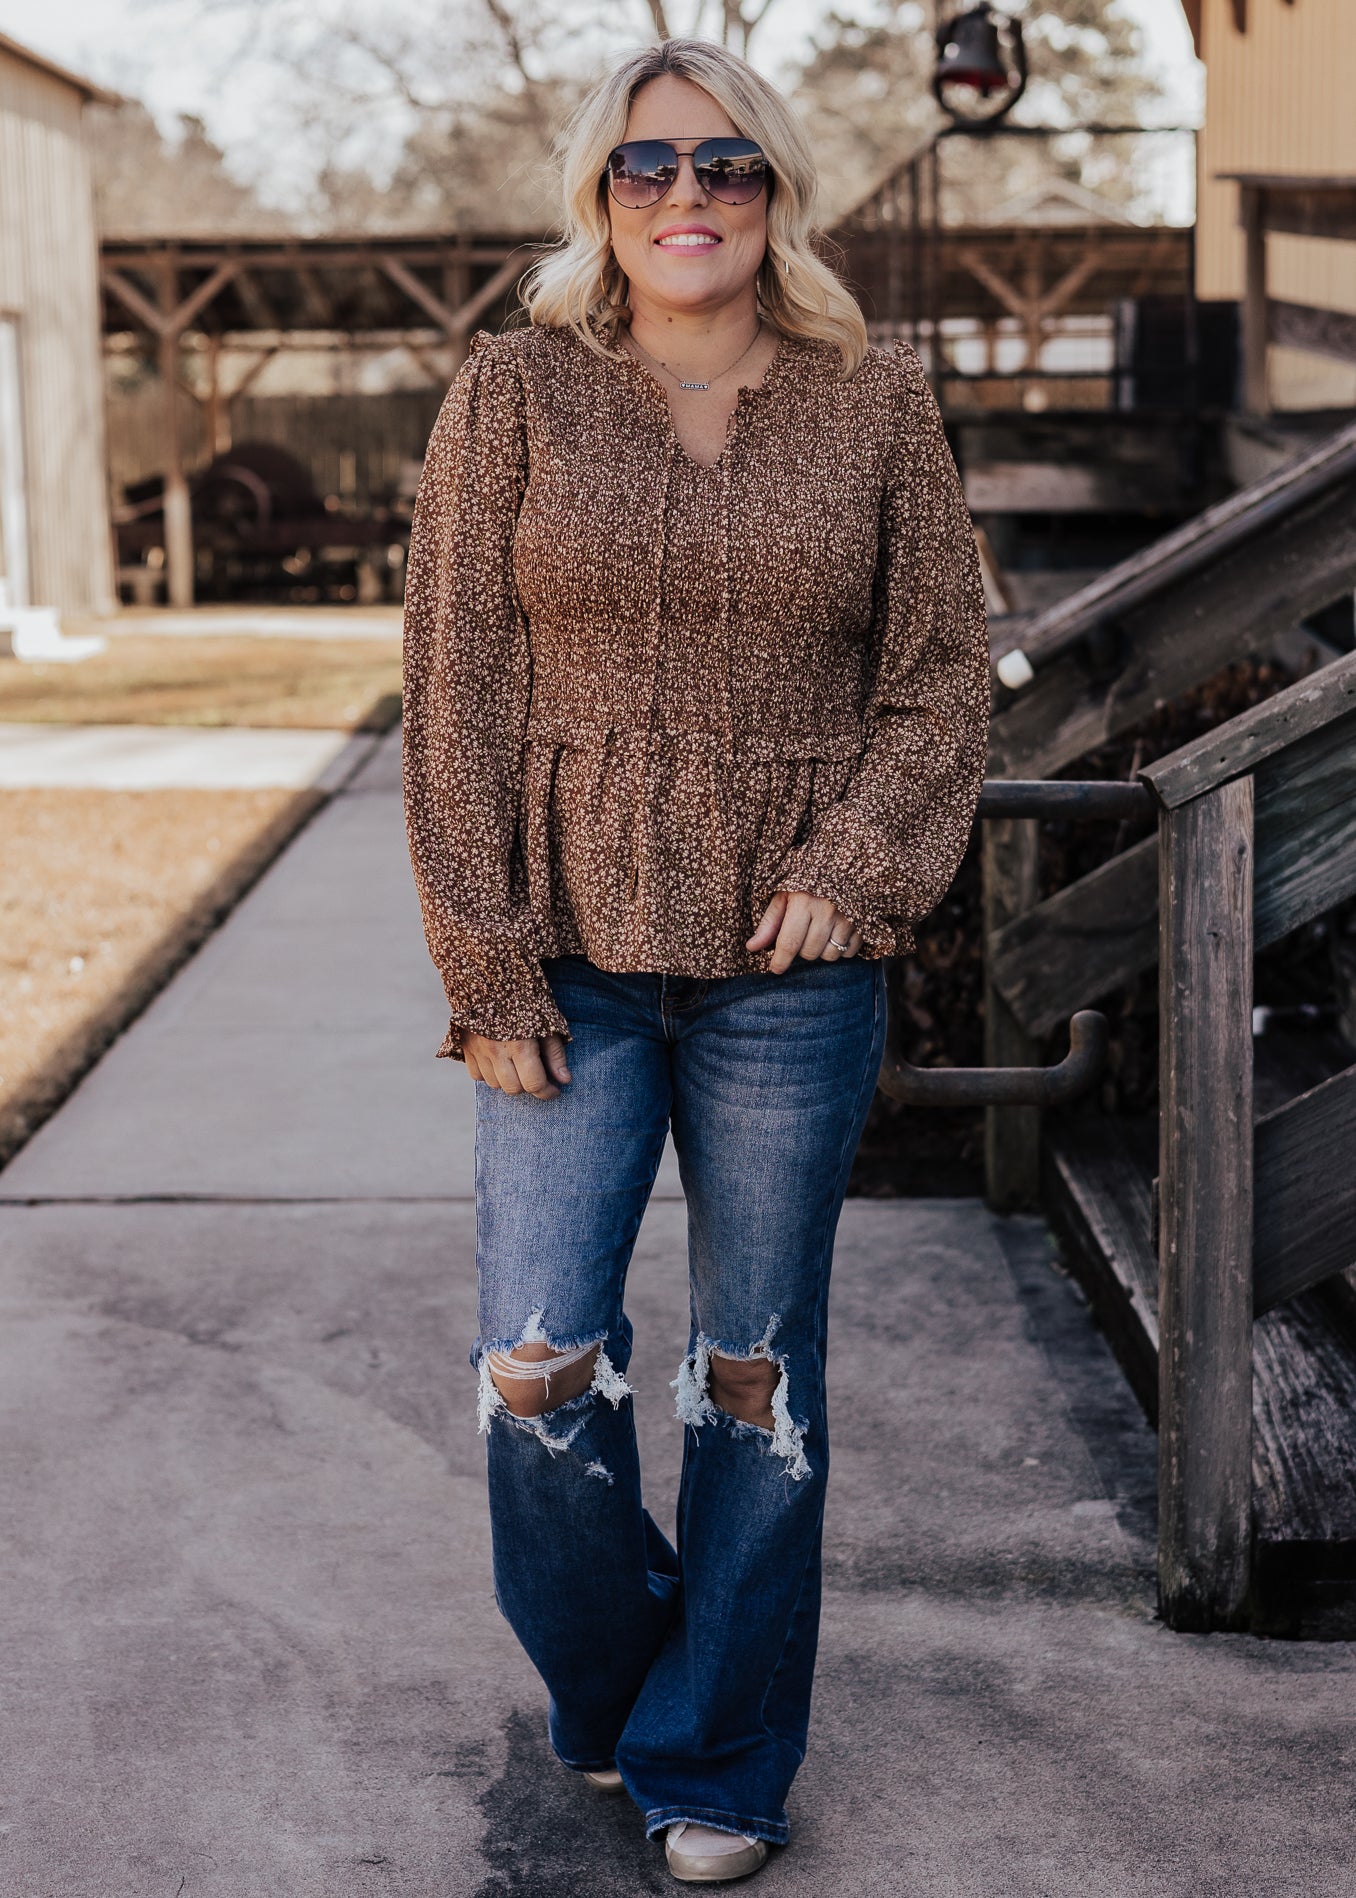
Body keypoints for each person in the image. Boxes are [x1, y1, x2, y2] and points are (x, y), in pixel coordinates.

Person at [402, 35, 989, 1885]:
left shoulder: (876, 403)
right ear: (597, 195)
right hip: (563, 954)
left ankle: (718, 1754)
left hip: (786, 971)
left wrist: (858, 863)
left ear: (777, 191)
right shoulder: (512, 391)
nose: (687, 198)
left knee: (756, 1367)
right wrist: (484, 960)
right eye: (649, 168)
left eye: (725, 167)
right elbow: (455, 695)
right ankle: (624, 1676)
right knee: (537, 1359)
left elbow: (942, 672)